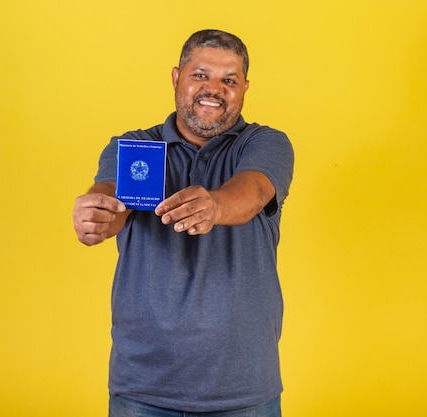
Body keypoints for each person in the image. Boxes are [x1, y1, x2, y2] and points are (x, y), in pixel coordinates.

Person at [73, 29, 294, 417]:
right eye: (200, 75)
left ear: (244, 87)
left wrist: (216, 206)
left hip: (244, 389)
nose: (214, 89)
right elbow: (112, 193)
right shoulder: (137, 146)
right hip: (143, 388)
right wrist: (99, 214)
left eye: (229, 80)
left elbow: (255, 191)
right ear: (176, 77)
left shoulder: (264, 143)